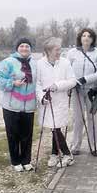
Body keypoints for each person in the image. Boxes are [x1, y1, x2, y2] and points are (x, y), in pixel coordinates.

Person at [0, 38, 36, 172]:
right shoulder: (7, 62)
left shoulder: (35, 64)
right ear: (17, 48)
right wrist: (12, 83)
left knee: (27, 135)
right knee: (13, 134)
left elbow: (40, 81)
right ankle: (15, 161)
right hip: (11, 105)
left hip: (29, 106)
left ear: (30, 49)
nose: (24, 48)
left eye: (27, 46)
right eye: (22, 46)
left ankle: (26, 160)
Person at [36, 37, 77, 167]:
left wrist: (57, 86)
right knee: (54, 127)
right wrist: (42, 97)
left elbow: (72, 81)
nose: (60, 52)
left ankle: (67, 154)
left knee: (55, 127)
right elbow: (37, 83)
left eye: (60, 49)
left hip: (60, 100)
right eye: (57, 49)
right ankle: (54, 153)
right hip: (47, 102)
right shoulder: (40, 63)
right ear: (48, 51)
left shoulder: (65, 63)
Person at [67, 28, 97, 155]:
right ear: (80, 38)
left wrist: (84, 79)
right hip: (76, 90)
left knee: (92, 118)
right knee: (78, 119)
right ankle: (75, 146)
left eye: (89, 36)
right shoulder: (72, 53)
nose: (86, 38)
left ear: (93, 39)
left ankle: (94, 147)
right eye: (84, 36)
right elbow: (67, 70)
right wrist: (71, 83)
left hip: (91, 91)